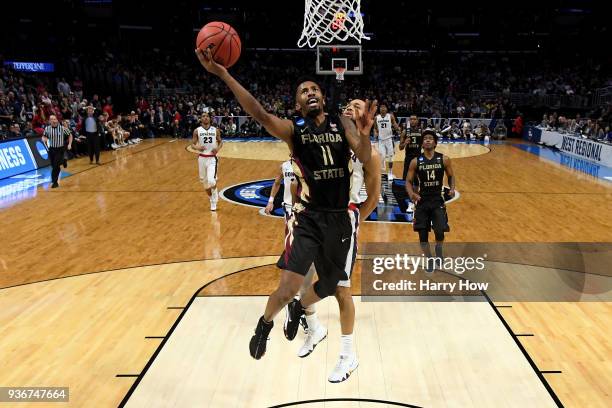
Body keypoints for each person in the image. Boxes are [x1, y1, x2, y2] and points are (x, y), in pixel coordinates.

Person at [194, 47, 375, 362]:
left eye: (314, 89)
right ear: (297, 104)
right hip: (309, 218)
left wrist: (364, 133)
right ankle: (264, 325)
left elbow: (363, 154)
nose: (310, 92)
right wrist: (223, 74)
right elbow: (260, 114)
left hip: (340, 220)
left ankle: (300, 308)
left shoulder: (342, 123)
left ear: (323, 97)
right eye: (304, 91)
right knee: (288, 287)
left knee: (332, 284)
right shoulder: (294, 132)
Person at [294, 99, 381, 383]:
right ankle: (314, 327)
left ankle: (347, 355)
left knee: (341, 289)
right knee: (304, 275)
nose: (349, 108)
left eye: (357, 106)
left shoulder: (370, 154)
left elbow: (374, 196)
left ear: (365, 116)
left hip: (344, 217)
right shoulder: (333, 141)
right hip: (318, 215)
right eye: (347, 105)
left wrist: (353, 221)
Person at [405, 129, 456, 272]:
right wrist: (411, 194)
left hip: (437, 200)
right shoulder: (416, 161)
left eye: (430, 138)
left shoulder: (444, 159)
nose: (427, 140)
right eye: (425, 138)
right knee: (422, 236)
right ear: (422, 143)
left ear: (435, 142)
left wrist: (452, 188)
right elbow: (408, 181)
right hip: (422, 200)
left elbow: (451, 176)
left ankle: (439, 251)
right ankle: (430, 259)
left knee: (440, 230)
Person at [191, 112, 222, 211]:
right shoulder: (197, 131)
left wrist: (217, 149)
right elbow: (192, 144)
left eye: (207, 116)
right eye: (203, 116)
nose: (205, 118)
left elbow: (221, 142)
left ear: (210, 118)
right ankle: (211, 198)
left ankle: (213, 200)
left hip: (212, 158)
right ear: (200, 119)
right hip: (201, 158)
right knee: (205, 184)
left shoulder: (215, 130)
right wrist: (197, 147)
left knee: (211, 180)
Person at [399, 115, 423, 213]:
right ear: (409, 121)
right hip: (408, 158)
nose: (413, 121)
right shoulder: (405, 132)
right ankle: (410, 201)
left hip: (418, 158)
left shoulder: (421, 132)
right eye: (411, 119)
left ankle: (414, 201)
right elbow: (400, 147)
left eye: (414, 119)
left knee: (417, 181)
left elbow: (425, 145)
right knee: (407, 180)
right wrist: (405, 143)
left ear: (417, 120)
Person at [42, 115, 72, 188]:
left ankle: (54, 182)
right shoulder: (47, 129)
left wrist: (69, 144)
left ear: (57, 120)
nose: (53, 120)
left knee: (55, 165)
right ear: (49, 121)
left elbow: (70, 135)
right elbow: (44, 136)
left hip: (60, 149)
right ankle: (63, 160)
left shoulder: (62, 128)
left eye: (54, 119)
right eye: (51, 119)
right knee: (54, 165)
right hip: (52, 149)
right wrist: (44, 139)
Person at [373, 103, 400, 181]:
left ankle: (390, 172)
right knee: (382, 156)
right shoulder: (376, 118)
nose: (383, 109)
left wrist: (398, 129)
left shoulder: (390, 116)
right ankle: (382, 170)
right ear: (379, 109)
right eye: (381, 107)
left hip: (389, 139)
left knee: (391, 158)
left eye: (384, 107)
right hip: (381, 140)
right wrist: (375, 133)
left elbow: (394, 124)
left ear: (386, 109)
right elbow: (375, 128)